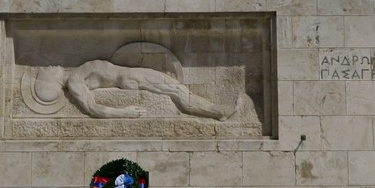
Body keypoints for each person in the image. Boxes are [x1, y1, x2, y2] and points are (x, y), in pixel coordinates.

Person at [32, 60, 236, 120]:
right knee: (178, 92)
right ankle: (219, 112)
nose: (49, 67)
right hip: (132, 78)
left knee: (177, 91)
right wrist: (125, 112)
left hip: (132, 75)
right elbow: (93, 109)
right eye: (46, 71)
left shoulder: (75, 71)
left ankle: (217, 111)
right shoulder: (75, 81)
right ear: (51, 80)